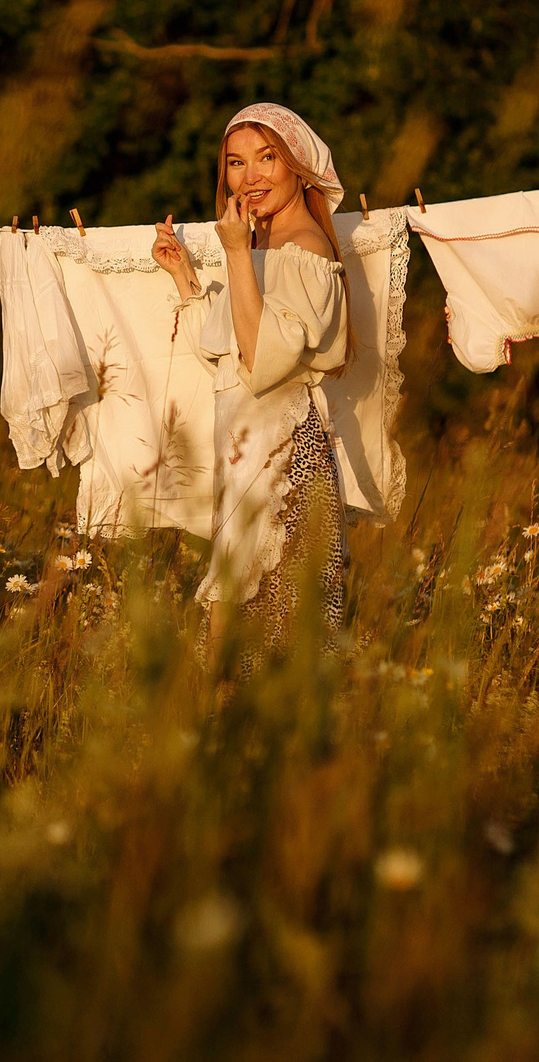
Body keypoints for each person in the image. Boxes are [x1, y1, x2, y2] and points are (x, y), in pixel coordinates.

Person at [151, 103, 355, 668]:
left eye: (268, 158)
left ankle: (248, 736)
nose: (252, 176)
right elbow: (223, 356)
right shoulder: (262, 248)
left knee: (277, 622)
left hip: (286, 452)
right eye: (236, 164)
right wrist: (186, 278)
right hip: (245, 448)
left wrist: (237, 253)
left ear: (297, 166)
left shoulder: (306, 248)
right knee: (240, 611)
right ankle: (224, 736)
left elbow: (262, 358)